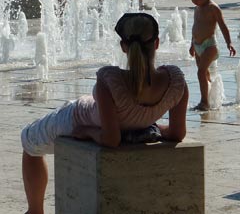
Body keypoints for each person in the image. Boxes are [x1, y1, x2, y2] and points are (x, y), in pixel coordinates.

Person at [21, 12, 189, 214]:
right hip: (102, 114)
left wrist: (88, 132)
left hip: (76, 117)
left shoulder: (110, 79)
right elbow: (177, 134)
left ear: (123, 47)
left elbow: (111, 138)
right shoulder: (176, 82)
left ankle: (35, 211)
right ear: (157, 43)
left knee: (28, 140)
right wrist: (152, 126)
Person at [183, 0, 236, 111]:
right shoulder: (197, 8)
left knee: (200, 72)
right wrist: (192, 44)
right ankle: (211, 96)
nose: (194, 1)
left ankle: (204, 102)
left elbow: (223, 26)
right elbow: (195, 27)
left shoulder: (213, 8)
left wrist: (229, 43)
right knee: (204, 73)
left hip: (209, 46)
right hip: (198, 45)